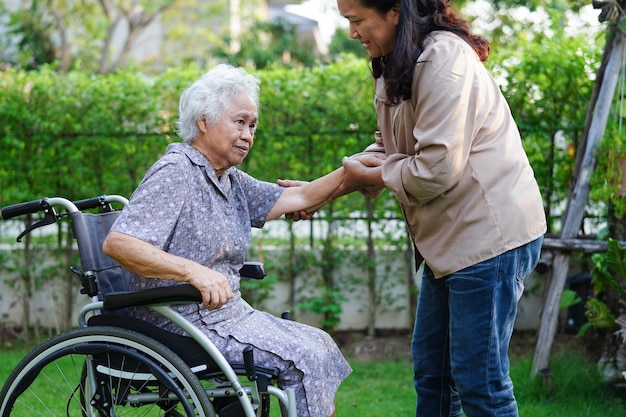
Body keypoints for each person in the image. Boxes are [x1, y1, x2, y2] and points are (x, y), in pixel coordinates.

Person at [288, 0, 546, 416]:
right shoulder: (398, 62)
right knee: (434, 375)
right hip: (449, 242)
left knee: (480, 382)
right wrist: (317, 192)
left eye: (357, 20)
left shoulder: (444, 58)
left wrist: (357, 179)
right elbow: (387, 149)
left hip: (488, 238)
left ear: (394, 11)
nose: (352, 33)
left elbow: (435, 170)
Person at [102, 64, 351, 417]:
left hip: (226, 316)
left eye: (252, 125)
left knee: (319, 343)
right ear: (204, 120)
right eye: (240, 122)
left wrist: (353, 171)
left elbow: (298, 197)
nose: (248, 134)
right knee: (304, 356)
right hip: (181, 320)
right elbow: (120, 244)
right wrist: (193, 272)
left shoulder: (226, 177)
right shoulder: (177, 171)